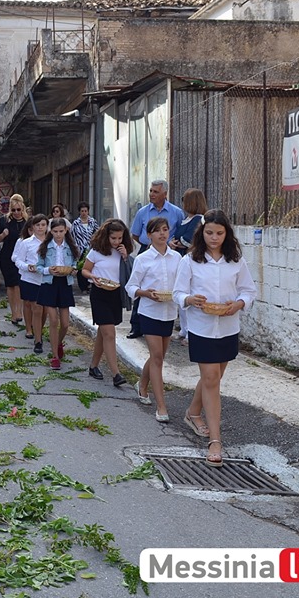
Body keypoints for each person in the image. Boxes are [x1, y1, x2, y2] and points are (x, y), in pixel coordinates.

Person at [173, 209, 257, 468]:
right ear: (202, 232)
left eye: (219, 233)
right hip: (201, 327)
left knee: (214, 378)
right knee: (211, 380)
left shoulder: (236, 261)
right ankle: (216, 441)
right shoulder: (190, 261)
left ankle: (193, 412)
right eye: (209, 232)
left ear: (226, 234)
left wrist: (240, 303)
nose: (214, 237)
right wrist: (189, 299)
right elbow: (178, 292)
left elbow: (248, 289)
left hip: (228, 326)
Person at [125, 217, 181, 422]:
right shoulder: (143, 259)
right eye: (157, 231)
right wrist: (145, 293)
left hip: (169, 312)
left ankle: (142, 385)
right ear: (149, 235)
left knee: (159, 356)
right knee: (157, 356)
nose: (162, 234)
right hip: (149, 312)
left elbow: (183, 284)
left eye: (165, 229)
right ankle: (161, 406)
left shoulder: (177, 258)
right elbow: (130, 287)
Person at [128, 179, 185, 339]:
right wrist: (149, 244)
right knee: (144, 286)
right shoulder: (143, 212)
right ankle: (136, 325)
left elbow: (182, 231)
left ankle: (171, 321)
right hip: (148, 249)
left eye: (155, 192)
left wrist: (172, 243)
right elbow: (135, 234)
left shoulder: (176, 212)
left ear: (165, 194)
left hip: (171, 251)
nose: (151, 194)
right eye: (151, 191)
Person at [83, 218, 134, 388]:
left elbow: (130, 272)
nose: (116, 242)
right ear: (107, 236)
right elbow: (84, 270)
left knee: (103, 333)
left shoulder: (122, 252)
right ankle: (116, 373)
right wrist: (93, 277)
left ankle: (93, 366)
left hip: (115, 294)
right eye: (113, 238)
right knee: (110, 333)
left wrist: (126, 256)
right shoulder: (96, 251)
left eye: (120, 238)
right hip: (99, 293)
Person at [36, 218, 78, 369]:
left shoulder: (70, 247)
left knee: (65, 323)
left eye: (61, 231)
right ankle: (54, 356)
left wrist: (73, 269)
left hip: (65, 283)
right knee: (53, 320)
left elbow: (74, 263)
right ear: (50, 231)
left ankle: (58, 342)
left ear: (66, 230)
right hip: (49, 283)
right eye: (55, 232)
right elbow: (39, 266)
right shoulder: (46, 247)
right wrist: (48, 270)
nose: (58, 235)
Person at [169, 188, 208, 344]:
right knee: (182, 296)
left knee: (190, 297)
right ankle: (184, 330)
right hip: (181, 258)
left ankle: (191, 333)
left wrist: (176, 242)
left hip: (191, 259)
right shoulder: (187, 219)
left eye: (185, 199)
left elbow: (188, 239)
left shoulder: (199, 219)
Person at [13, 214, 48, 351]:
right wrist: (28, 267)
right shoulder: (26, 243)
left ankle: (38, 328)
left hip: (46, 279)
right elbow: (18, 260)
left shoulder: (50, 242)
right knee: (35, 307)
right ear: (32, 227)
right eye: (37, 225)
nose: (40, 228)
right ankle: (36, 338)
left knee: (44, 310)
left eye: (43, 225)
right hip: (29, 279)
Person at [0, 194, 27, 324]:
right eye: (13, 210)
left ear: (23, 209)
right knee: (10, 284)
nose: (16, 213)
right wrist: (3, 234)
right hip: (7, 256)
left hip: (22, 257)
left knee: (19, 284)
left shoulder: (27, 222)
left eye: (18, 210)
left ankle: (19, 311)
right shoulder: (4, 221)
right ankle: (13, 313)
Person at [71, 201, 99, 294]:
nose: (84, 213)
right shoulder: (76, 223)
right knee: (81, 267)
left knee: (91, 266)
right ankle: (83, 287)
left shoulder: (92, 221)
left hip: (90, 248)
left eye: (85, 211)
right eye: (82, 211)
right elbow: (72, 235)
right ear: (79, 212)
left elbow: (98, 232)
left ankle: (89, 285)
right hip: (80, 248)